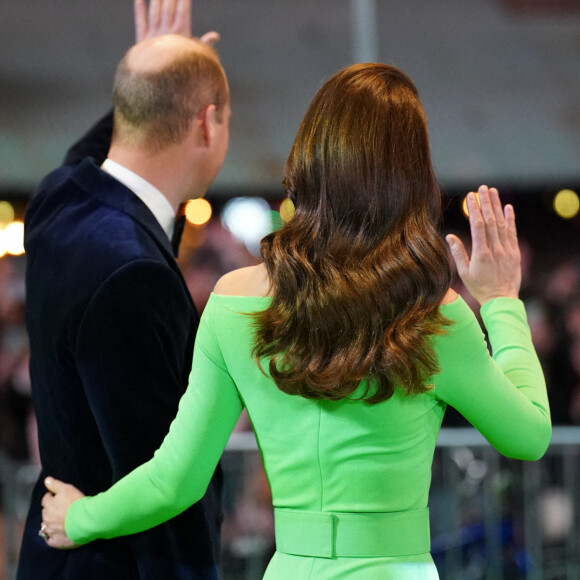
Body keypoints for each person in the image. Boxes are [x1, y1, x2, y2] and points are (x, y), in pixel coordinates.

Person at [40, 63, 551, 579]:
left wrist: (80, 517)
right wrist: (502, 300)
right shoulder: (434, 315)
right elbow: (528, 436)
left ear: (310, 158)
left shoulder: (233, 302)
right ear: (412, 176)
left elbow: (176, 480)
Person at [18, 1, 230, 578]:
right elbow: (160, 481)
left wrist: (151, 76)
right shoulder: (133, 275)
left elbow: (88, 157)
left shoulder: (57, 199)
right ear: (207, 123)